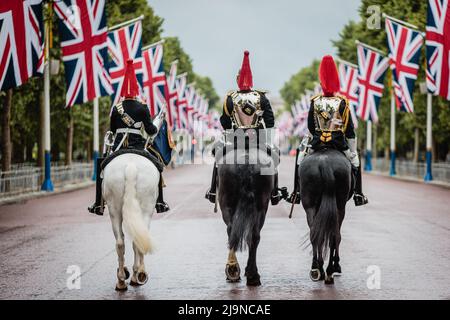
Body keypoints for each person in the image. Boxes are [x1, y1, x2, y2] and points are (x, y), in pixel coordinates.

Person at [205, 51, 288, 205]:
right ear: (251, 80)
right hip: (258, 139)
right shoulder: (261, 97)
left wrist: (231, 132)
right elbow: (270, 120)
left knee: (218, 158)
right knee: (274, 157)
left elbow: (224, 121)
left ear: (238, 80)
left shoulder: (230, 98)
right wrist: (267, 137)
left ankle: (212, 190)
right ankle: (275, 193)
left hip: (236, 139)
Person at [88, 59, 170, 215]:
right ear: (136, 89)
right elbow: (151, 131)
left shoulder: (116, 108)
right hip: (138, 146)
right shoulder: (143, 107)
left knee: (102, 167)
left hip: (119, 146)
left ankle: (98, 204)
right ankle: (160, 203)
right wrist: (158, 123)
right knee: (157, 166)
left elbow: (112, 129)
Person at [287, 55, 368, 206]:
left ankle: (296, 193)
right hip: (339, 144)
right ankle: (358, 194)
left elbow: (311, 127)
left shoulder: (315, 102)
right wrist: (352, 150)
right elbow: (349, 130)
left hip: (317, 143)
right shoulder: (343, 103)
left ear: (321, 82)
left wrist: (311, 141)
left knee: (300, 158)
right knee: (356, 161)